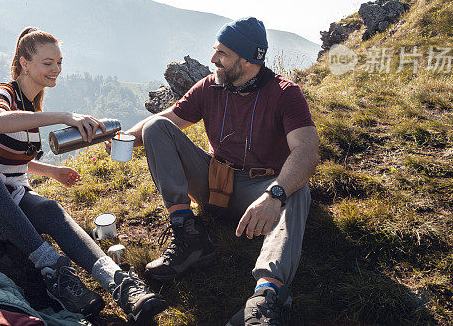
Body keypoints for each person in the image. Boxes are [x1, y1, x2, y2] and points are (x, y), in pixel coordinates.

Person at [0, 27, 167, 323]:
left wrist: (52, 171)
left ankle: (120, 284)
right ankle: (55, 272)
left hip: (9, 201)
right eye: (47, 63)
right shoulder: (3, 92)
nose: (56, 69)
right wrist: (63, 116)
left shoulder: (31, 110)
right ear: (25, 63)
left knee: (49, 208)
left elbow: (10, 161)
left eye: (59, 62)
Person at [108, 17, 319, 326]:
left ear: (247, 60)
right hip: (214, 182)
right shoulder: (211, 86)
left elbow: (307, 151)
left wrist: (274, 194)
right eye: (215, 50)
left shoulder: (284, 93)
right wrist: (121, 139)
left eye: (222, 53)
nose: (213, 59)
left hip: (258, 191)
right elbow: (167, 120)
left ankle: (265, 299)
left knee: (297, 190)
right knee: (156, 126)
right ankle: (188, 235)